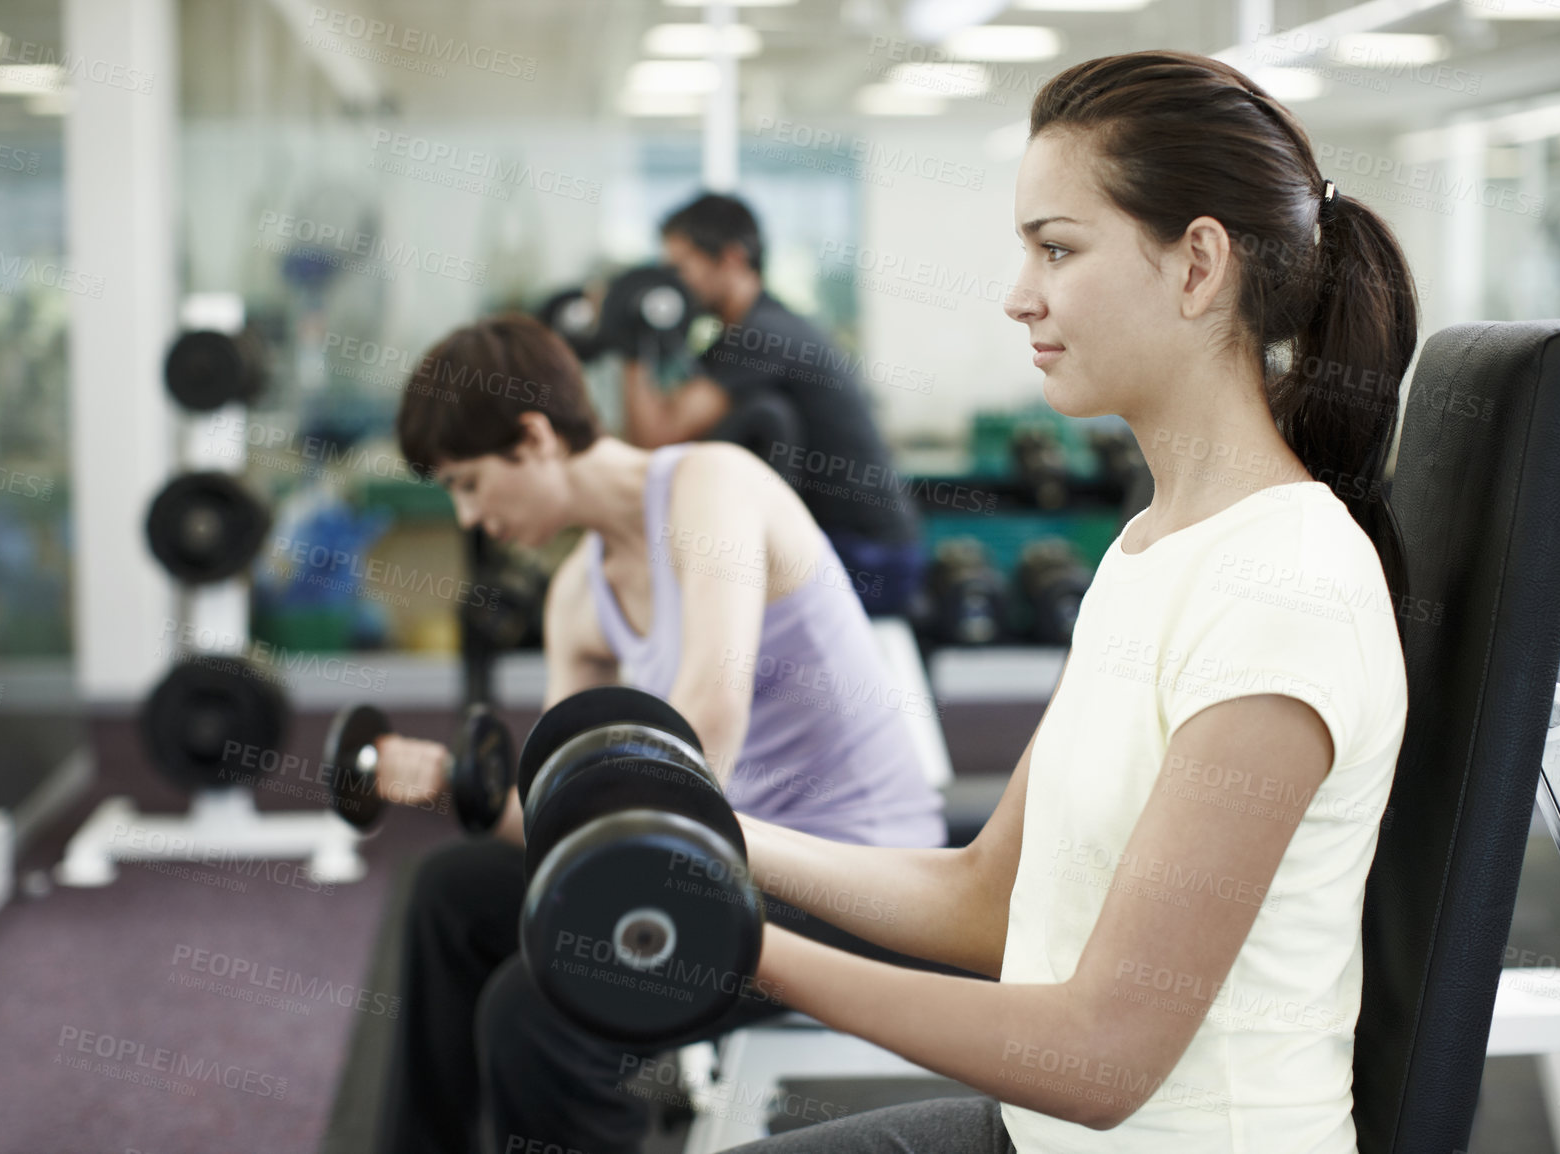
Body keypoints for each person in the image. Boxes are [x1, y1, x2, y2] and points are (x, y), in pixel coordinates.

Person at [702, 50, 1415, 1151]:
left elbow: (1100, 1054)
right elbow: (986, 894)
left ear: (1197, 267)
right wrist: (710, 830)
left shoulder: (1291, 586)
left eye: (1056, 248)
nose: (1016, 292)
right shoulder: (1148, 547)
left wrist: (731, 940)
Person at [372, 312, 952, 1154]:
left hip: (852, 872)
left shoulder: (712, 485)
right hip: (717, 858)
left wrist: (602, 879)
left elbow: (708, 715)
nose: (467, 516)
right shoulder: (579, 595)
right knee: (452, 893)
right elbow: (560, 818)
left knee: (537, 1014)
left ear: (533, 438)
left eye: (466, 482)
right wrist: (455, 789)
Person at [621, 192, 927, 617]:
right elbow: (658, 444)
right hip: (849, 549)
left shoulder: (764, 334)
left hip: (868, 558)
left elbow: (656, 438)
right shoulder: (740, 336)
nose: (673, 284)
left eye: (680, 268)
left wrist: (631, 341)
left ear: (730, 259)